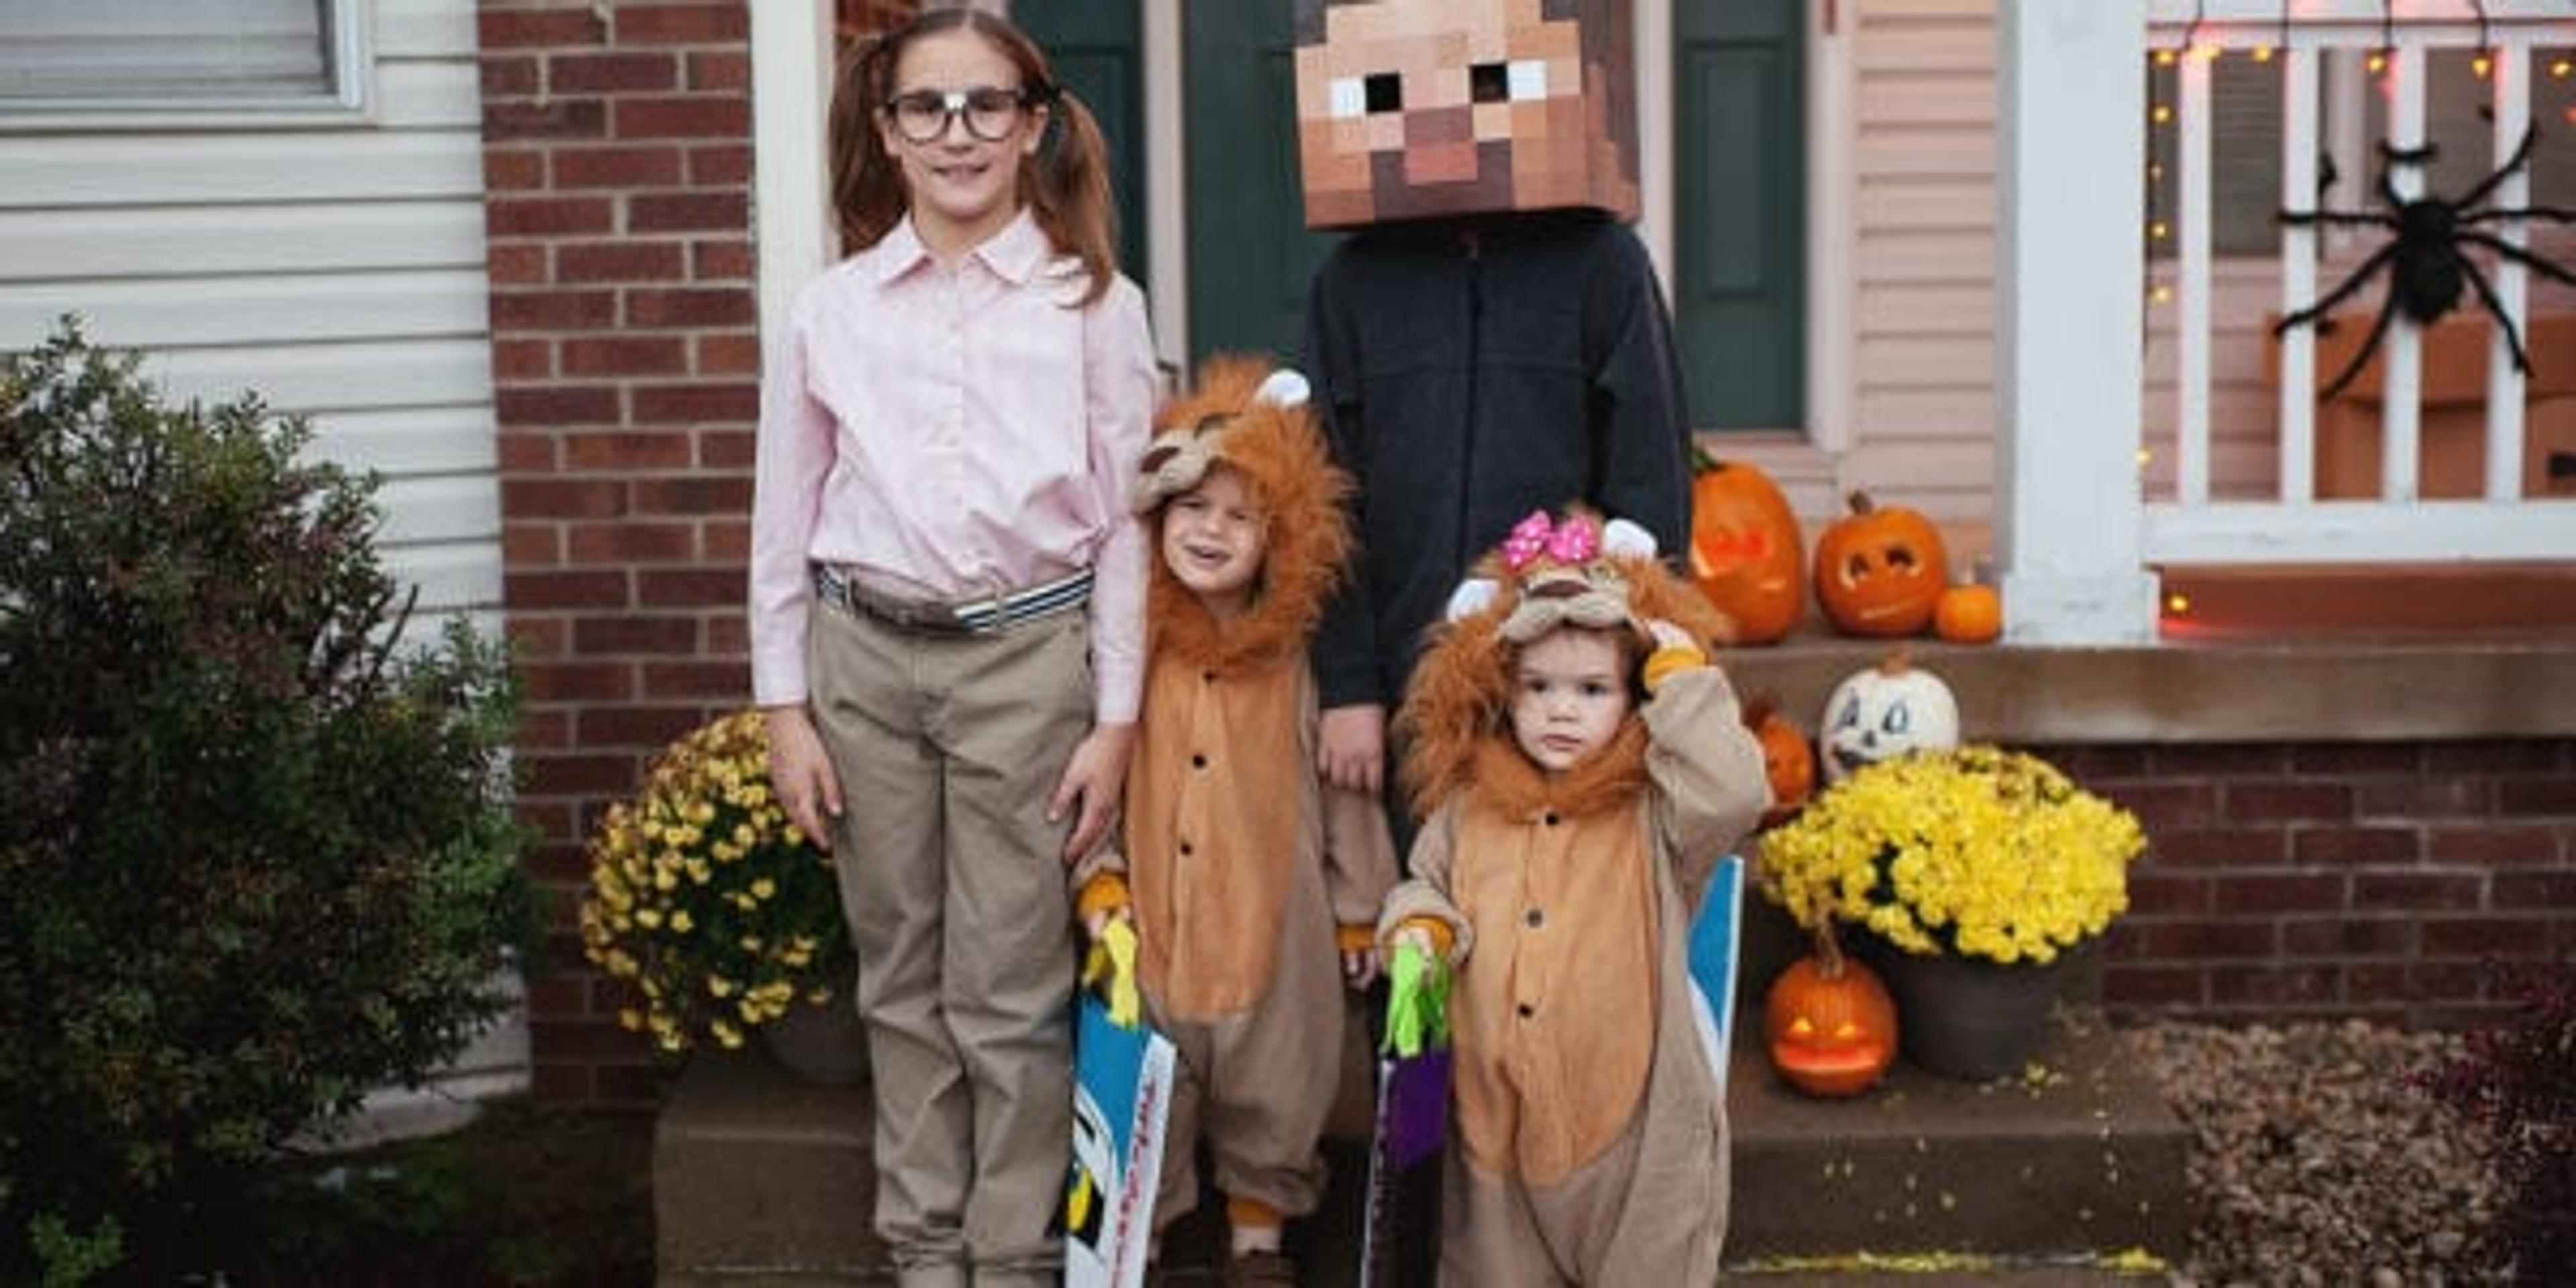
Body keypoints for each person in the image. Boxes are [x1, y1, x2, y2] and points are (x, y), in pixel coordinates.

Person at [746, 10, 1158, 1285]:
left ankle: (1010, 1255)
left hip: (1022, 670)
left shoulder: (1093, 307)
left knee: (1006, 987)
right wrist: (784, 708)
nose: (957, 133)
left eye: (987, 106)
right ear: (887, 130)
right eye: (927, 107)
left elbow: (1128, 533)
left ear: (1033, 124)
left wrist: (1116, 717)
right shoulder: (833, 312)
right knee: (900, 976)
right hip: (864, 664)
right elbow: (784, 516)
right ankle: (925, 1250)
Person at [1289, 0, 1696, 836]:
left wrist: (1631, 669)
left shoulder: (1601, 264)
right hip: (1408, 674)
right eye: (1404, 90)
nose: (1443, 119)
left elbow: (1649, 475)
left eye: (1481, 84)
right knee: (1430, 918)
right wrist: (1350, 685)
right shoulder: (1353, 284)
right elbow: (1318, 502)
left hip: (1564, 676)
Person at [1377, 509, 1769, 1285]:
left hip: (1630, 1130)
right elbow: (1425, 883)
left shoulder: (1657, 813)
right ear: (1502, 692)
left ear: (1633, 698)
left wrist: (1679, 675)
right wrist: (1419, 926)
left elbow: (1737, 793)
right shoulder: (1470, 806)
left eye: (1593, 689)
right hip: (1492, 1128)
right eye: (1539, 687)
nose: (1562, 709)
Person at [1073, 356, 1399, 1287]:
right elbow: (1095, 773)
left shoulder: (1297, 664)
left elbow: (1345, 791)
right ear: (1157, 520)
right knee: (1152, 1088)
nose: (1211, 531)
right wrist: (1097, 876)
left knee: (1280, 1087)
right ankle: (1155, 1234)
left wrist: (1359, 905)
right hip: (1156, 933)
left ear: (1279, 539)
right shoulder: (1131, 654)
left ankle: (1260, 1244)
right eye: (1192, 510)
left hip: (1275, 929)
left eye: (1239, 516)